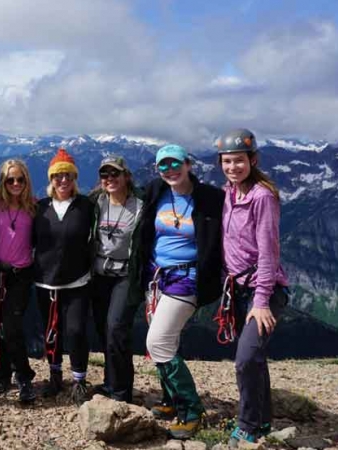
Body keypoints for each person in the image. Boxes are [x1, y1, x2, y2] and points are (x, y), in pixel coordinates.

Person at [128, 144, 224, 439]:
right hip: (157, 277)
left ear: (188, 165)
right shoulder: (157, 191)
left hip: (188, 278)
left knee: (157, 341)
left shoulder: (209, 198)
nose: (170, 170)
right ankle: (170, 399)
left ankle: (190, 409)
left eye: (175, 164)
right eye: (163, 166)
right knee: (166, 339)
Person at [215, 129, 289, 447]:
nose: (233, 167)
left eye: (239, 161)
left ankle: (246, 425)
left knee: (246, 357)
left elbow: (269, 253)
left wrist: (261, 302)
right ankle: (264, 421)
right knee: (254, 357)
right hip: (239, 287)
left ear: (253, 160)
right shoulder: (228, 194)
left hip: (265, 290)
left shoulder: (262, 196)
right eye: (227, 161)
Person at [33, 148, 96, 405]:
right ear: (50, 180)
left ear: (74, 178)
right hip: (44, 280)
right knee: (51, 331)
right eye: (58, 176)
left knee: (76, 330)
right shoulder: (39, 207)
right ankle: (55, 376)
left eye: (68, 175)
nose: (63, 180)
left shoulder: (86, 206)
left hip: (78, 280)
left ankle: (79, 380)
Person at [88, 155, 143, 403]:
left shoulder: (140, 206)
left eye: (115, 174)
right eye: (105, 175)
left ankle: (121, 392)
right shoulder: (96, 201)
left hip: (125, 276)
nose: (110, 179)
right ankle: (111, 383)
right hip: (99, 275)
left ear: (126, 176)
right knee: (104, 330)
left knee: (116, 328)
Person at [0, 159, 37, 404]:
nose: (16, 183)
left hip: (21, 275)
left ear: (26, 181)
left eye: (20, 179)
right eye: (10, 179)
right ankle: (2, 375)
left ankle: (24, 376)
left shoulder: (33, 206)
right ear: (3, 182)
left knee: (12, 325)